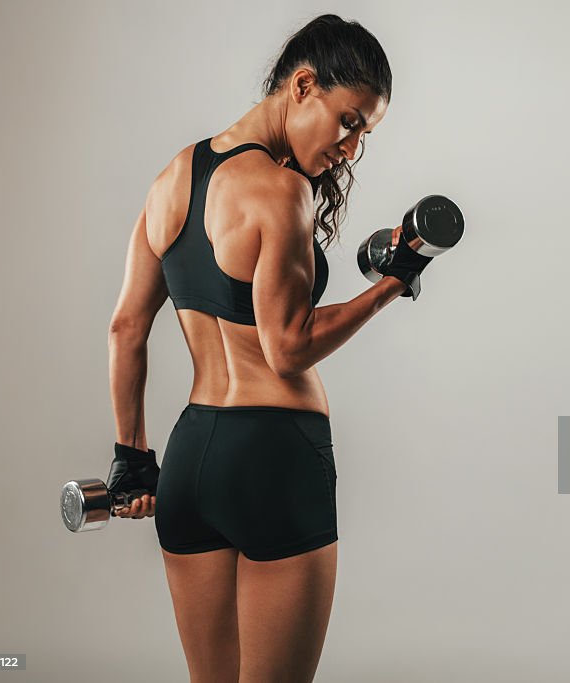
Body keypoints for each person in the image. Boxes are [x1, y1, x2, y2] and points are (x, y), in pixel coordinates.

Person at [104, 14, 431, 682]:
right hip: (276, 457)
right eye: (350, 121)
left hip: (194, 460)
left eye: (365, 132)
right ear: (303, 85)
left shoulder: (174, 177)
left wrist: (131, 458)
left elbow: (126, 329)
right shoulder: (282, 191)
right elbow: (287, 348)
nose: (352, 147)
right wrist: (391, 287)